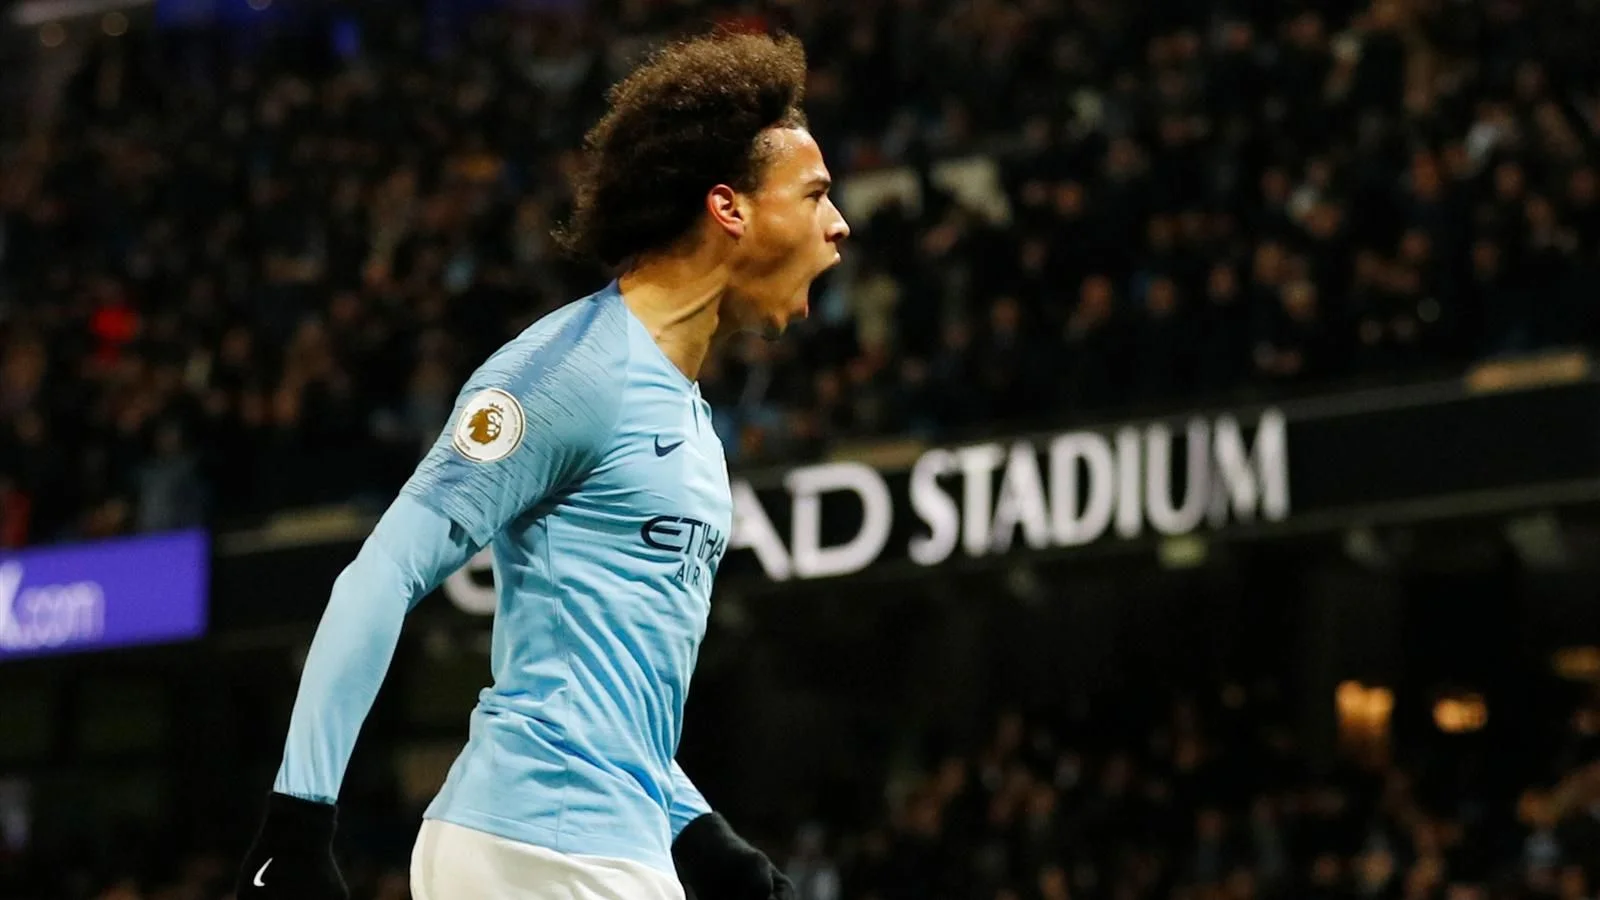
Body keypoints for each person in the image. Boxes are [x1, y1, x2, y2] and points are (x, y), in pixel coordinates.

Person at [235, 31, 849, 900]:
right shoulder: (568, 372)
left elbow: (607, 705)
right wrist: (298, 825)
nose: (839, 222)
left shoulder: (694, 428)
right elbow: (382, 572)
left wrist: (714, 849)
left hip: (596, 842)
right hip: (539, 844)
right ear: (729, 208)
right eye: (815, 194)